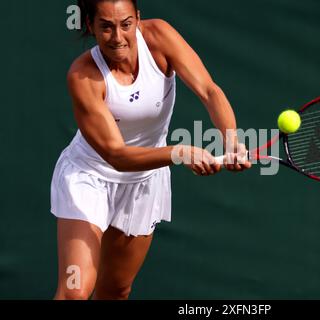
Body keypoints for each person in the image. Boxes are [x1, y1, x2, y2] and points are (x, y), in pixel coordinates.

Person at [51, 0, 251, 300]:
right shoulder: (83, 77)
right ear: (89, 25)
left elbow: (209, 91)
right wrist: (179, 153)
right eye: (105, 26)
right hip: (88, 178)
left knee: (116, 290)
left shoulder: (159, 37)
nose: (118, 36)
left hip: (143, 183)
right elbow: (116, 155)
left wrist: (232, 142)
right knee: (75, 290)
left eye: (126, 24)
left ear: (138, 19)